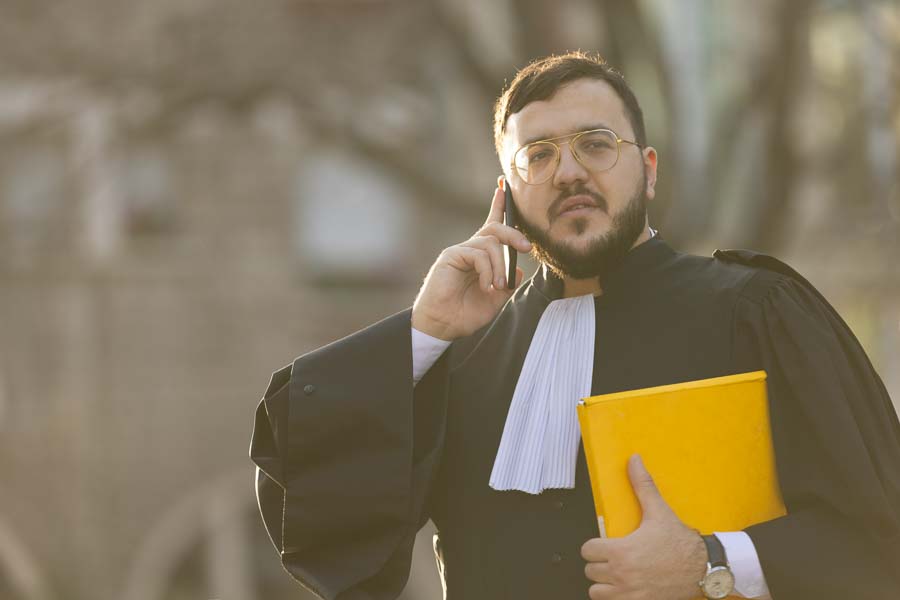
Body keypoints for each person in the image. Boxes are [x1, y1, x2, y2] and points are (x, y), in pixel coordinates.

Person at [250, 51, 900, 600]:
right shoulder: (464, 354)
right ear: (506, 188)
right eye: (537, 155)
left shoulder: (755, 310)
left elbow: (877, 534)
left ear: (646, 170)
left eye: (595, 144)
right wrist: (424, 334)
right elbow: (315, 515)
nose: (568, 171)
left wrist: (711, 564)